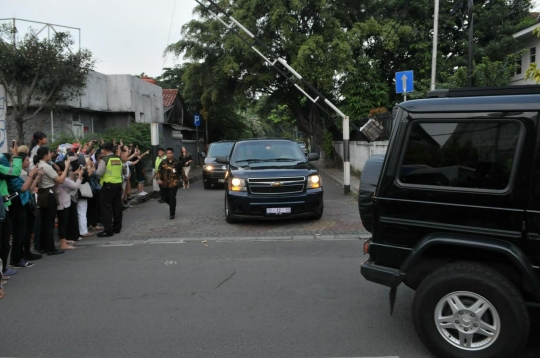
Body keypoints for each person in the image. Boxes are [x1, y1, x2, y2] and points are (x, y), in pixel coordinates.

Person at [6, 153, 41, 268]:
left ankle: (19, 257)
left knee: (21, 233)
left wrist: (34, 177)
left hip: (23, 204)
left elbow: (29, 189)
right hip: (17, 205)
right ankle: (15, 260)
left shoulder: (16, 174)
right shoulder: (12, 175)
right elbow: (23, 188)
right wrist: (31, 175)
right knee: (18, 234)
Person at [35, 146, 69, 255]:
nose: (51, 155)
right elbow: (60, 180)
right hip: (48, 193)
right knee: (49, 222)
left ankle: (43, 246)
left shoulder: (38, 165)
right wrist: (66, 167)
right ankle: (51, 248)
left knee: (44, 222)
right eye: (49, 153)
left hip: (42, 193)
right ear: (45, 155)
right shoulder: (46, 166)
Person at [0, 144, 23, 277]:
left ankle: (3, 270)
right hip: (2, 206)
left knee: (5, 239)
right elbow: (15, 172)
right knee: (4, 239)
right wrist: (16, 156)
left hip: (4, 204)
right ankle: (2, 271)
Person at [95, 142, 123, 237]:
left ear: (105, 150)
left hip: (108, 185)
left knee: (106, 208)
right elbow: (123, 170)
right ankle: (117, 228)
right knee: (117, 207)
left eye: (102, 149)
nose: (102, 151)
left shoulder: (105, 159)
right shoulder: (118, 158)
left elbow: (99, 173)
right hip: (118, 184)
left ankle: (108, 230)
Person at [54, 161, 82, 250]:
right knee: (62, 223)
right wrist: (80, 176)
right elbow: (75, 186)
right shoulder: (63, 180)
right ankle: (63, 243)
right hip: (63, 204)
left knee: (63, 223)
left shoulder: (60, 178)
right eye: (67, 168)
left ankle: (64, 239)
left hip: (63, 203)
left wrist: (73, 174)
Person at [156, 148, 182, 219]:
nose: (169, 154)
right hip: (165, 183)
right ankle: (172, 204)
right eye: (168, 153)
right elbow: (158, 171)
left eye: (170, 153)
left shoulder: (177, 163)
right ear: (166, 154)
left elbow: (181, 172)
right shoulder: (163, 162)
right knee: (166, 198)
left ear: (172, 154)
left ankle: (172, 214)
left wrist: (185, 181)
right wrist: (158, 179)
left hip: (174, 183)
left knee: (172, 197)